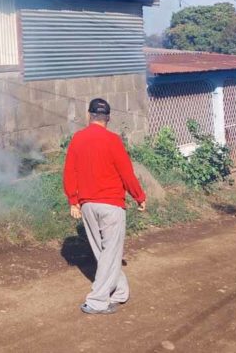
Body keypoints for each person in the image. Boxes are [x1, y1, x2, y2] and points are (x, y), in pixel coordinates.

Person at [63, 98, 146, 315]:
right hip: (112, 205)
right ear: (108, 118)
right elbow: (126, 173)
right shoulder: (113, 140)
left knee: (104, 253)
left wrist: (73, 200)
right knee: (109, 252)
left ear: (89, 115)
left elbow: (69, 171)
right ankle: (98, 301)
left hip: (88, 205)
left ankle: (119, 293)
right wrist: (139, 196)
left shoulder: (78, 138)